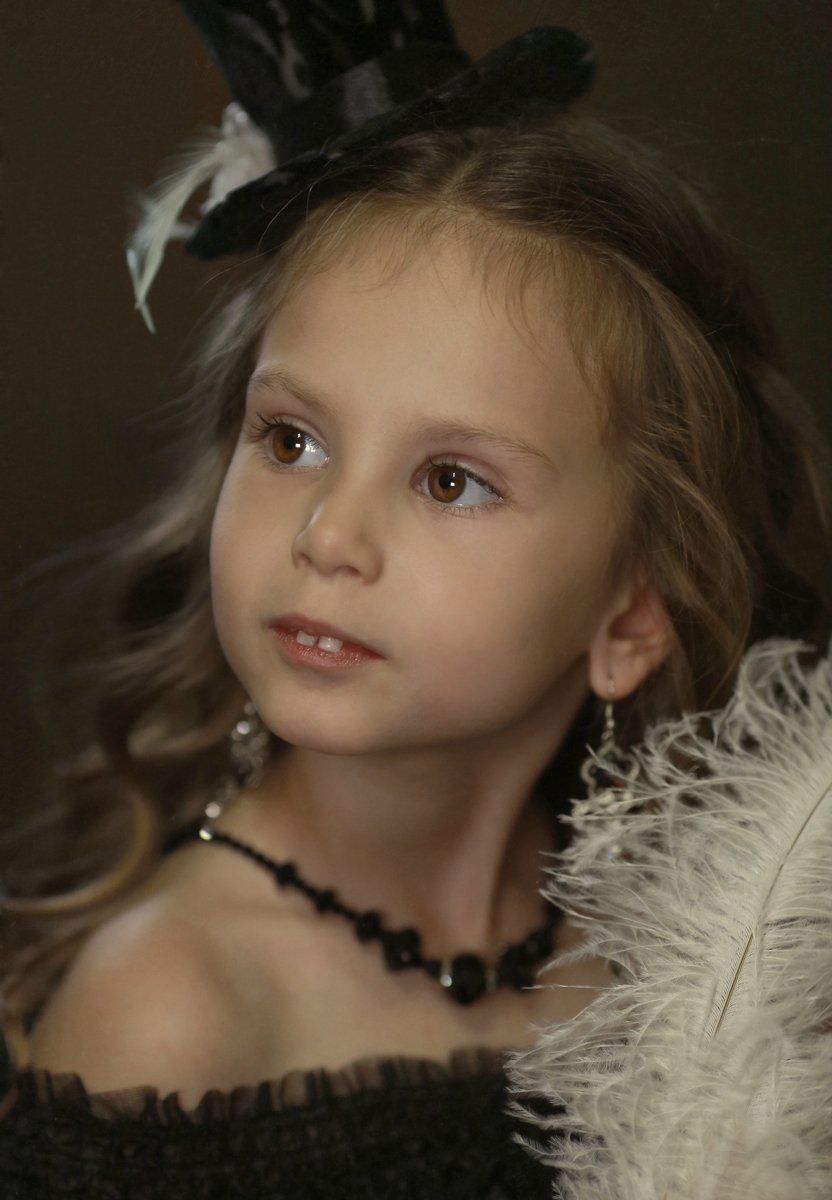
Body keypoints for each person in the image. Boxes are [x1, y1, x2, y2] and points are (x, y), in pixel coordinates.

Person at [1, 2, 831, 1196]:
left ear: (631, 614)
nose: (328, 536)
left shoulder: (684, 969)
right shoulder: (174, 1009)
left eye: (449, 480)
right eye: (290, 440)